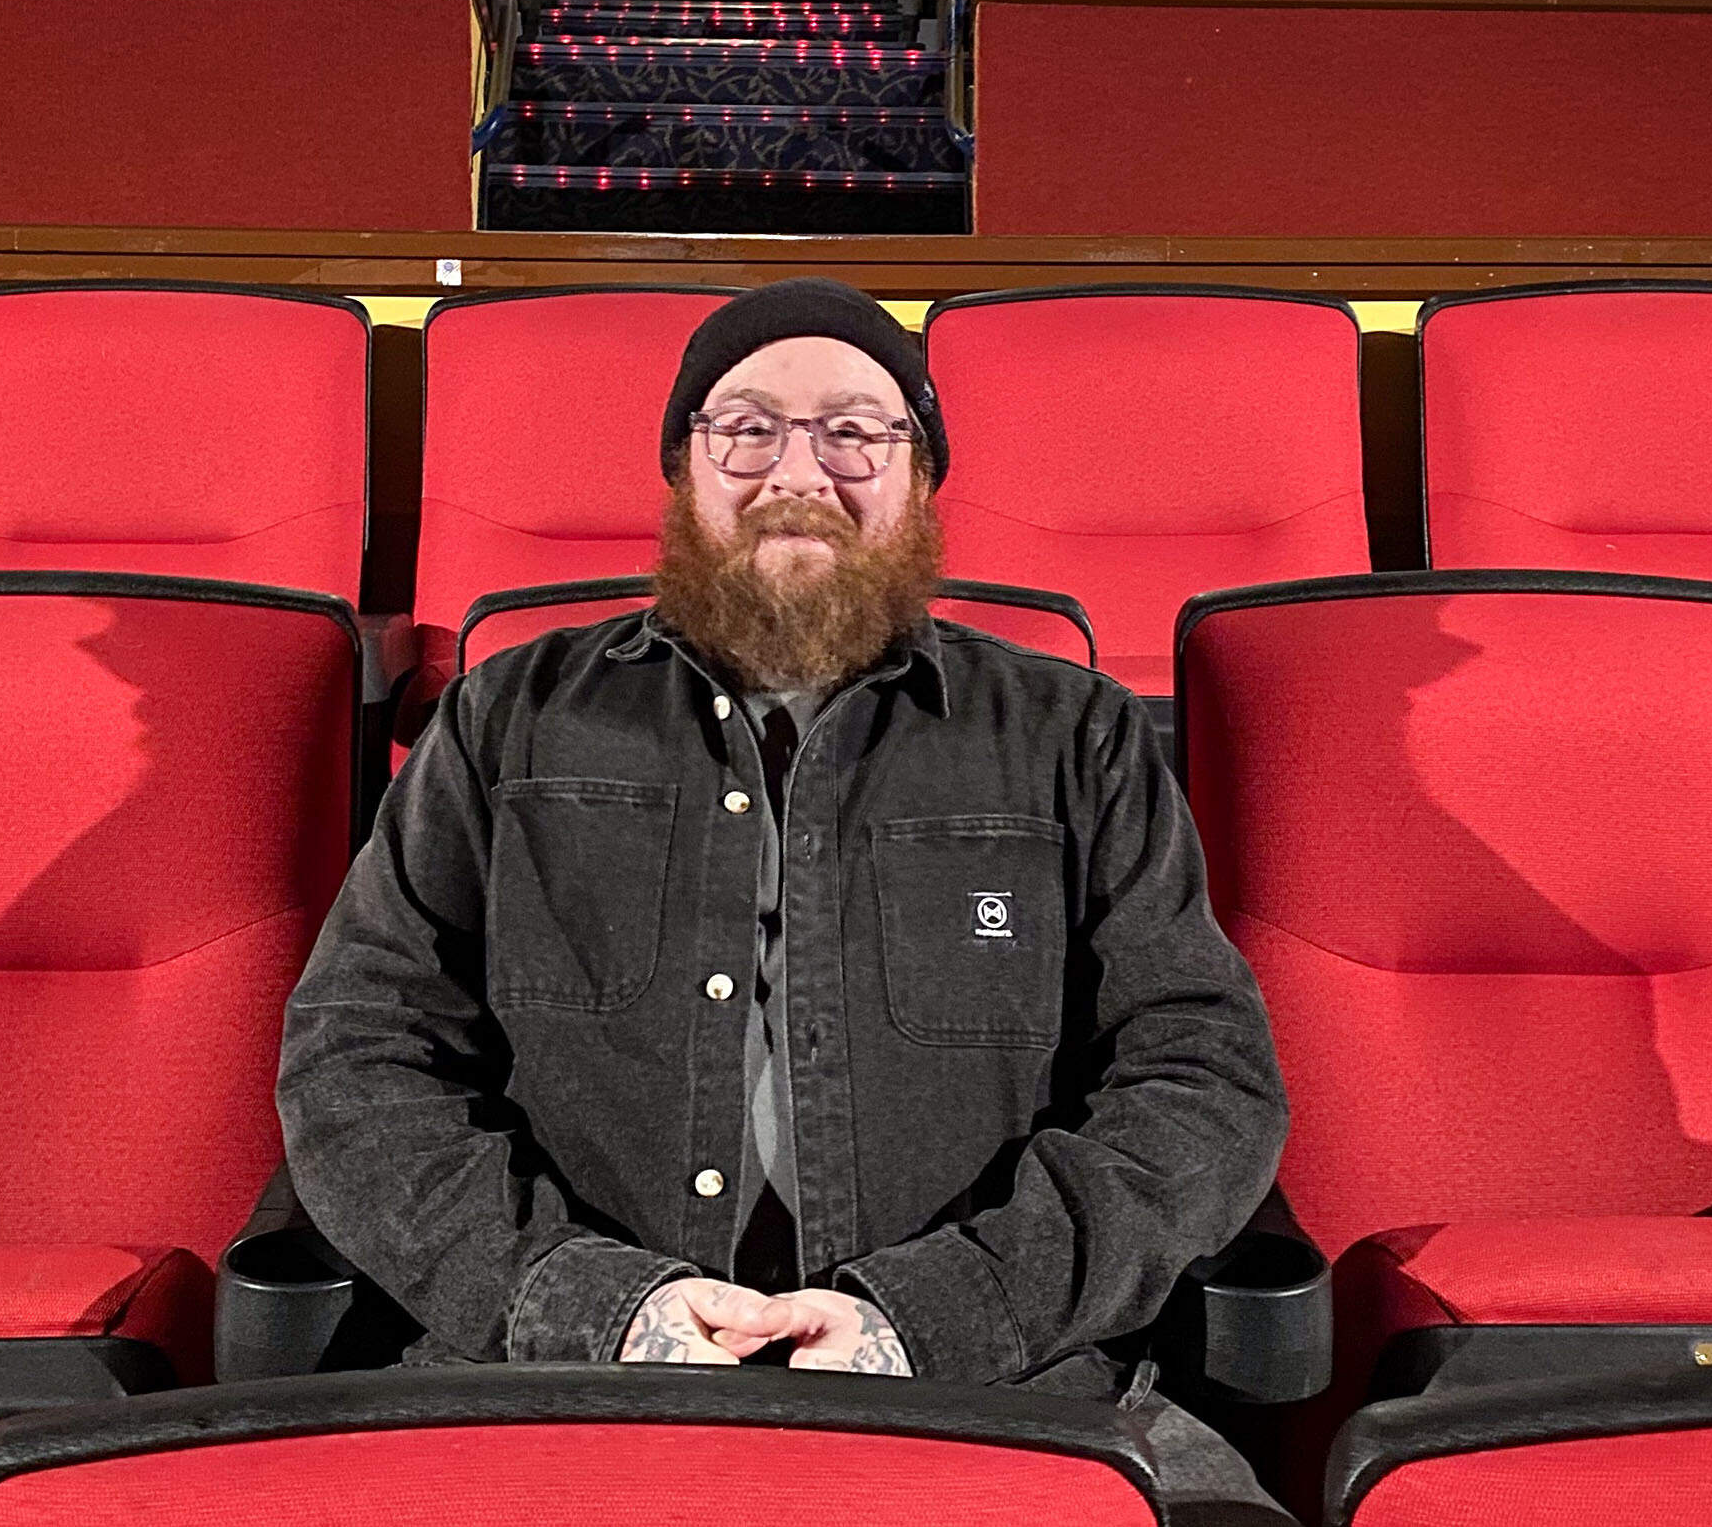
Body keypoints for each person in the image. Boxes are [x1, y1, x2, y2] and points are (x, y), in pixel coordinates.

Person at [276, 278, 1289, 1511]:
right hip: (555, 1381)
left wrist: (943, 1310)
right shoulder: (506, 719)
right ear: (681, 473)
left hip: (1003, 1387)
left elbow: (1202, 1077)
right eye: (746, 430)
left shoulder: (1074, 734)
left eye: (855, 431)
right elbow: (358, 1057)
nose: (797, 473)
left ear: (920, 477)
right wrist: (594, 1306)